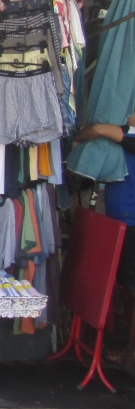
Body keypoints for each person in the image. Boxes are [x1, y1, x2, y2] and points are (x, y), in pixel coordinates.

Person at [74, 114, 135, 291]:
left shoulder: (131, 134)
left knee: (127, 282)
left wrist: (76, 140)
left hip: (128, 217)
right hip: (124, 215)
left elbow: (97, 128)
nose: (128, 114)